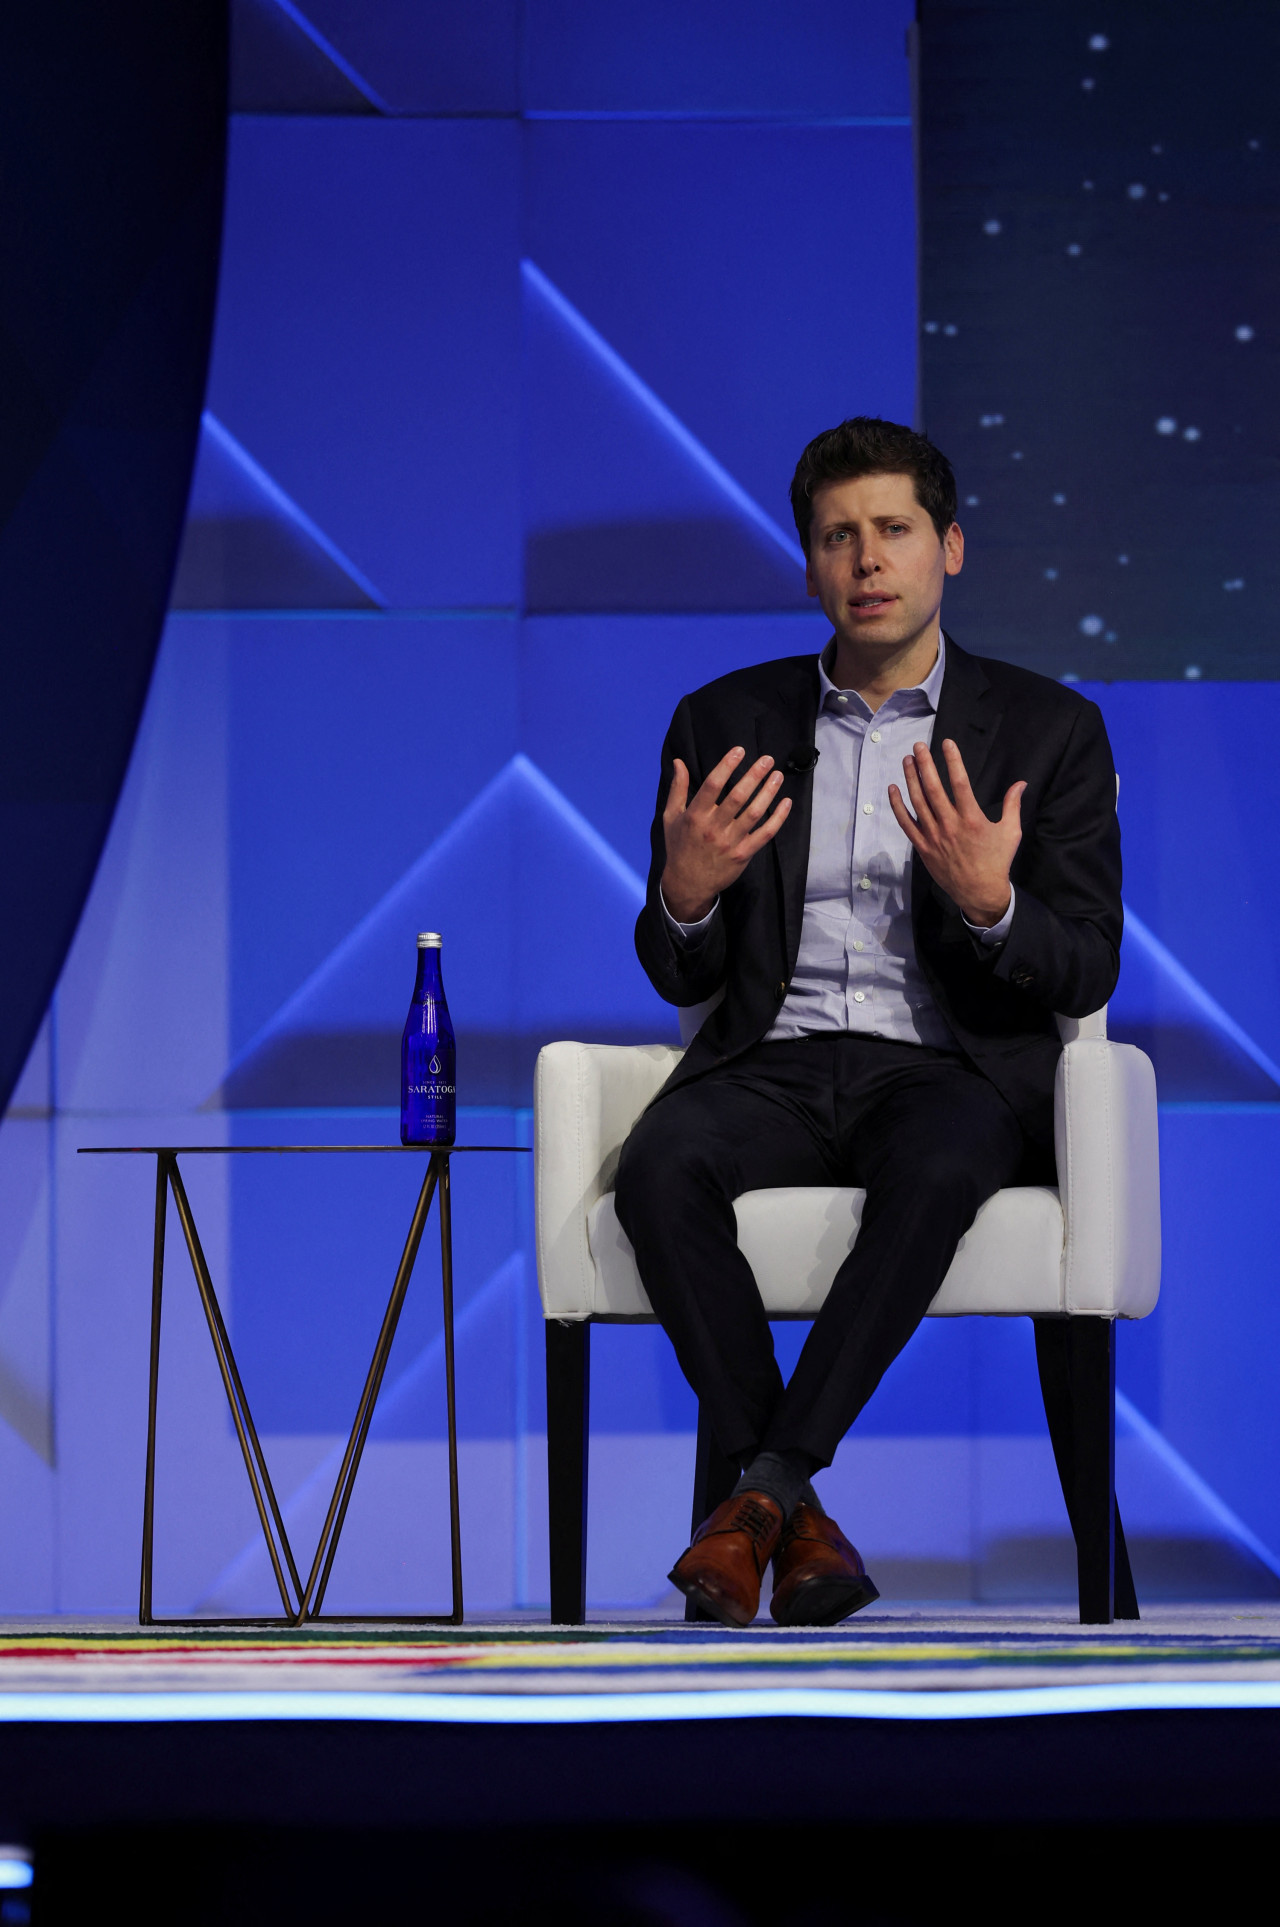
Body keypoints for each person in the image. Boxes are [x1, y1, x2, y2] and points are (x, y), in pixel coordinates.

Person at [614, 416, 1122, 1628]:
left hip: (943, 1071)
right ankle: (787, 1506)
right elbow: (671, 964)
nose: (865, 560)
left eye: (892, 530)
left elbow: (1086, 960)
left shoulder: (1047, 732)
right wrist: (682, 896)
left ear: (947, 548)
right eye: (836, 537)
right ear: (807, 567)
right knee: (658, 1164)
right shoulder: (721, 720)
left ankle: (755, 1496)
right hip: (771, 1063)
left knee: (943, 1159)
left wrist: (992, 902)